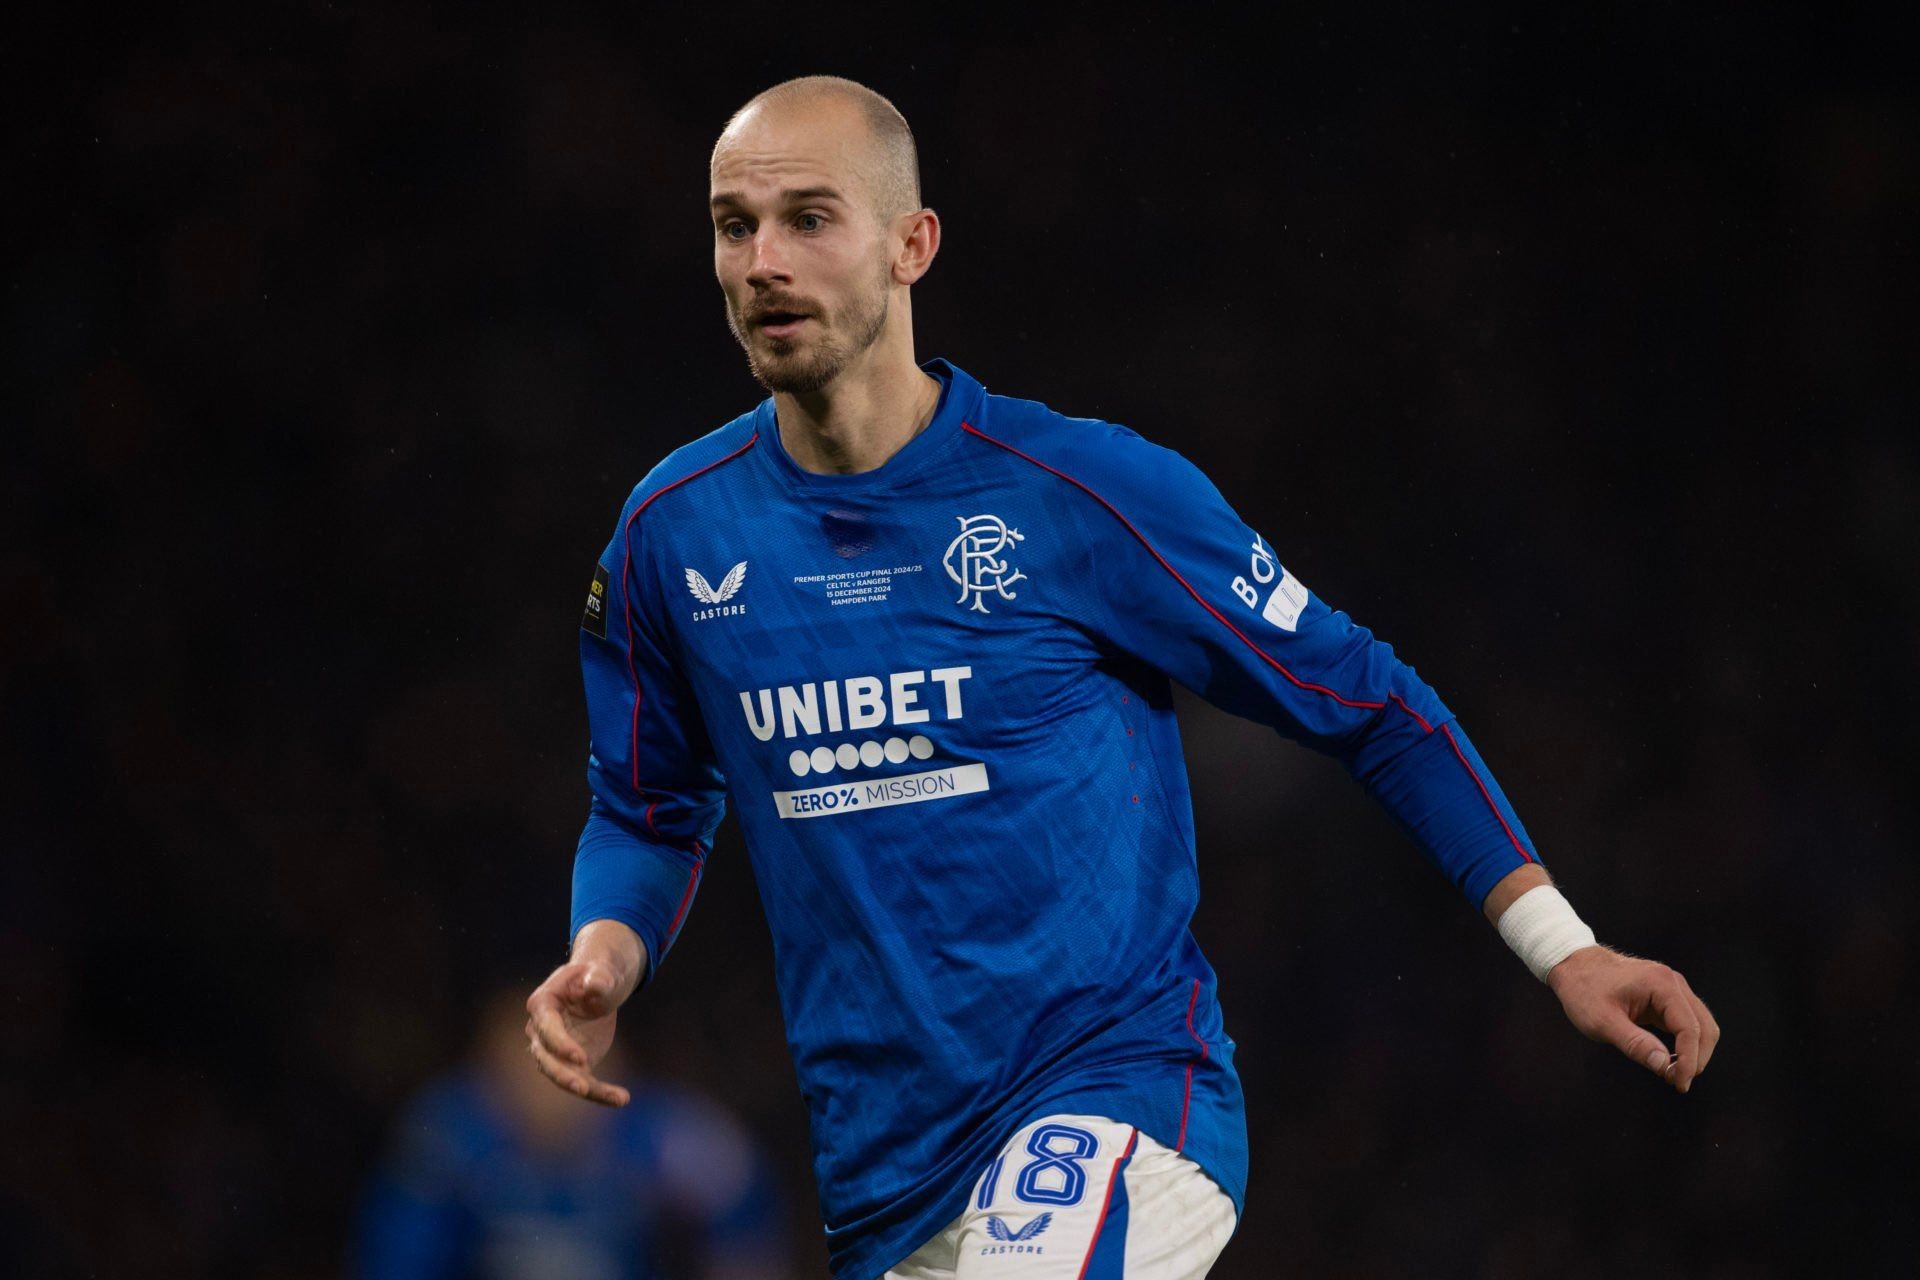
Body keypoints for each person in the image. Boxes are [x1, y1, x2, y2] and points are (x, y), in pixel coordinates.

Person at [525, 75, 1722, 1280]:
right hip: (885, 1179)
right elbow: (647, 805)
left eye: (809, 219)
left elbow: (1370, 703)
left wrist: (1565, 948)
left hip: (1114, 1100)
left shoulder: (1080, 493)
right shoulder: (674, 535)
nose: (764, 262)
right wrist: (607, 952)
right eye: (735, 226)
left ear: (911, 245)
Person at [359, 983, 789, 1279]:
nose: (552, 1087)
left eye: (572, 1057)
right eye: (532, 1063)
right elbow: (396, 1260)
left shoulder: (672, 1135)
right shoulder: (449, 1135)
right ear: (491, 1071)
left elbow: (747, 1235)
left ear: (616, 1059)